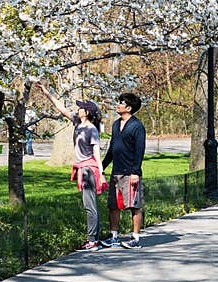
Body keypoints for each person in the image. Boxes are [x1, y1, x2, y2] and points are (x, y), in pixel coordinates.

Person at [37, 83, 107, 251]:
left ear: (87, 113)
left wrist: (101, 173)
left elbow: (96, 154)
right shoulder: (77, 123)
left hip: (89, 170)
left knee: (90, 206)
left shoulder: (92, 130)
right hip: (82, 169)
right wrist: (47, 92)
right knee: (88, 205)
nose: (78, 110)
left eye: (81, 108)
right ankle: (93, 239)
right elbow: (61, 108)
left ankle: (93, 241)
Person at [100, 92, 146, 249]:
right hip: (116, 171)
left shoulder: (137, 126)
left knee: (135, 205)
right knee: (113, 206)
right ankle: (114, 236)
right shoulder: (115, 124)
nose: (117, 105)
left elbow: (140, 150)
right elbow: (113, 148)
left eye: (120, 102)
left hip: (130, 173)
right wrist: (102, 166)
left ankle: (135, 238)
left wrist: (135, 172)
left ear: (128, 107)